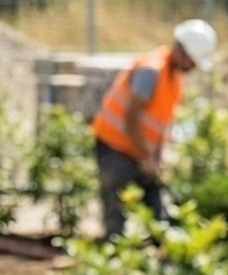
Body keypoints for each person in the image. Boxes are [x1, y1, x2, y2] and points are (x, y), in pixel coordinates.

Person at [92, 17, 217, 240]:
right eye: (193, 62)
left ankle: (160, 247)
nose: (194, 68)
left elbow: (159, 125)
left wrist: (157, 159)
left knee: (157, 210)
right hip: (114, 146)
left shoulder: (174, 79)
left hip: (138, 150)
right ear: (182, 52)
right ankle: (113, 249)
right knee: (116, 211)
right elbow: (130, 119)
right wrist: (147, 157)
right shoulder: (151, 71)